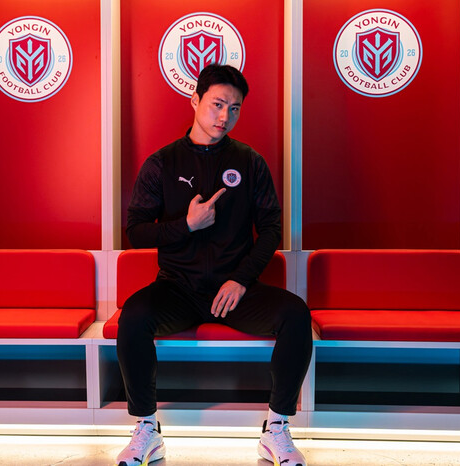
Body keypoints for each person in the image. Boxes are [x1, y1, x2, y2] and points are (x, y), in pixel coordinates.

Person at [115, 64, 313, 466]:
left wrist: (241, 280)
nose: (225, 116)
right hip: (178, 288)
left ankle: (276, 429)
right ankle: (147, 429)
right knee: (133, 317)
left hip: (234, 292)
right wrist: (186, 225)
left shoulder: (249, 162)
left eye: (234, 108)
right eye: (217, 104)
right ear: (195, 100)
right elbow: (135, 232)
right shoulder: (162, 163)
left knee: (295, 315)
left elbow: (271, 229)